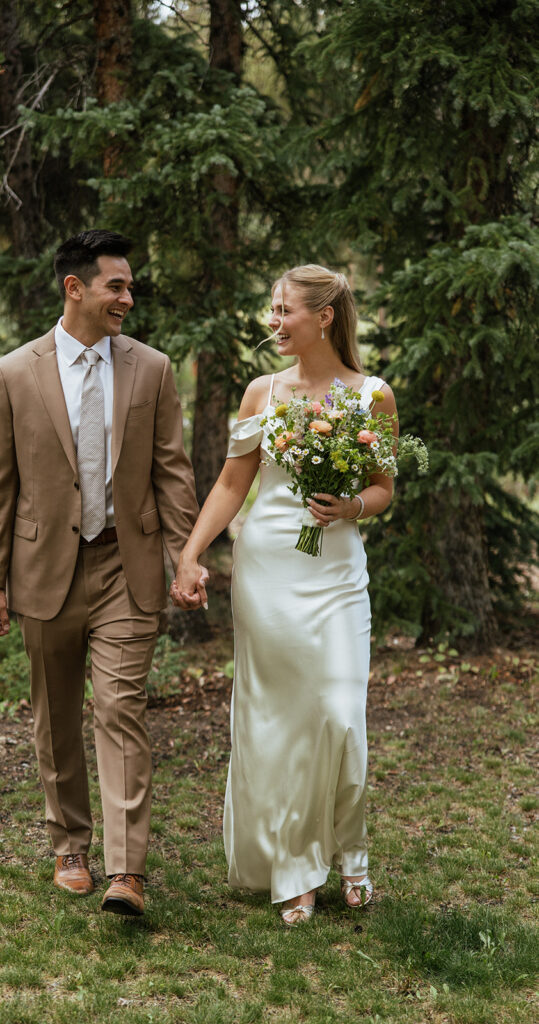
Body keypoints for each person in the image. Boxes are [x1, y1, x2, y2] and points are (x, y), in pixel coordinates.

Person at [0, 229, 202, 917]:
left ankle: (125, 869)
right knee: (55, 714)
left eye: (130, 286)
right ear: (75, 288)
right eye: (116, 286)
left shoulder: (152, 369)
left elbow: (172, 472)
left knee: (120, 708)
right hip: (42, 570)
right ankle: (69, 842)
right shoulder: (14, 373)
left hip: (125, 568)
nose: (128, 298)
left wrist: (185, 558)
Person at [171, 264, 398, 925]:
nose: (272, 321)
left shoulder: (371, 395)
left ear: (323, 317)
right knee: (279, 725)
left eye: (283, 310)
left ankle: (350, 852)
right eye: (270, 309)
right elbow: (230, 483)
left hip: (336, 575)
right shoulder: (260, 393)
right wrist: (191, 552)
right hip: (267, 569)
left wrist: (351, 503)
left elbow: (383, 487)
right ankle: (295, 867)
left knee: (338, 715)